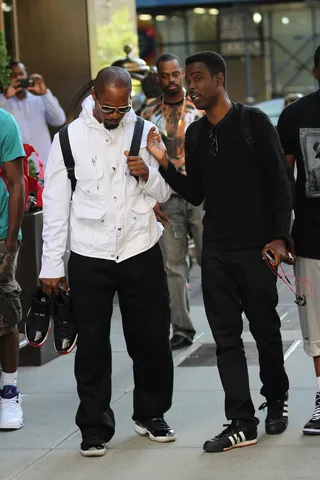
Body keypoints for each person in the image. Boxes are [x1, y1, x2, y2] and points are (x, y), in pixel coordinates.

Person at [147, 51, 292, 453]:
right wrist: (163, 164)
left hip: (257, 249)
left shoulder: (253, 123)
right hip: (217, 252)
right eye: (188, 79)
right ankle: (242, 421)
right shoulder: (195, 134)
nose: (190, 86)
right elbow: (196, 193)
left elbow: (281, 183)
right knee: (226, 338)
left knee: (265, 331)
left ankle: (276, 398)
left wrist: (281, 238)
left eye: (196, 78)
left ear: (219, 80)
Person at [39, 66, 176, 457]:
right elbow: (54, 207)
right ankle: (94, 426)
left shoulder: (144, 130)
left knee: (150, 339)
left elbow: (166, 191)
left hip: (139, 247)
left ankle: (151, 414)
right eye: (108, 108)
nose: (116, 116)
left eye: (122, 108)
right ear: (95, 97)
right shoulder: (67, 139)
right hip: (90, 253)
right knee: (93, 346)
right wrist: (52, 265)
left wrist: (148, 173)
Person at [141, 54, 203, 350]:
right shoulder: (148, 112)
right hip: (165, 196)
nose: (171, 80)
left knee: (211, 258)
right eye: (165, 75)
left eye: (176, 74)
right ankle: (181, 328)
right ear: (158, 77)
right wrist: (148, 196)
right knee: (172, 266)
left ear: (183, 74)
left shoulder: (199, 106)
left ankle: (224, 320)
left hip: (200, 194)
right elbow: (139, 157)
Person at [277, 45, 320, 435]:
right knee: (318, 330)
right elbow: (281, 178)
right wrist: (281, 230)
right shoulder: (295, 116)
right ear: (315, 70)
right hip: (312, 238)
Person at [0, 109, 25, 430]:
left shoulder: (4, 121)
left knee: (4, 316)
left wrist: (9, 240)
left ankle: (9, 393)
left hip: (0, 233)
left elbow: (18, 182)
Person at [0, 61, 66, 167]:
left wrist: (44, 93)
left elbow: (59, 120)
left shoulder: (40, 100)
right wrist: (5, 97)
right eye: (13, 75)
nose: (18, 78)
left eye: (21, 74)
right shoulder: (3, 103)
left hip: (43, 166)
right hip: (16, 171)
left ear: (26, 76)